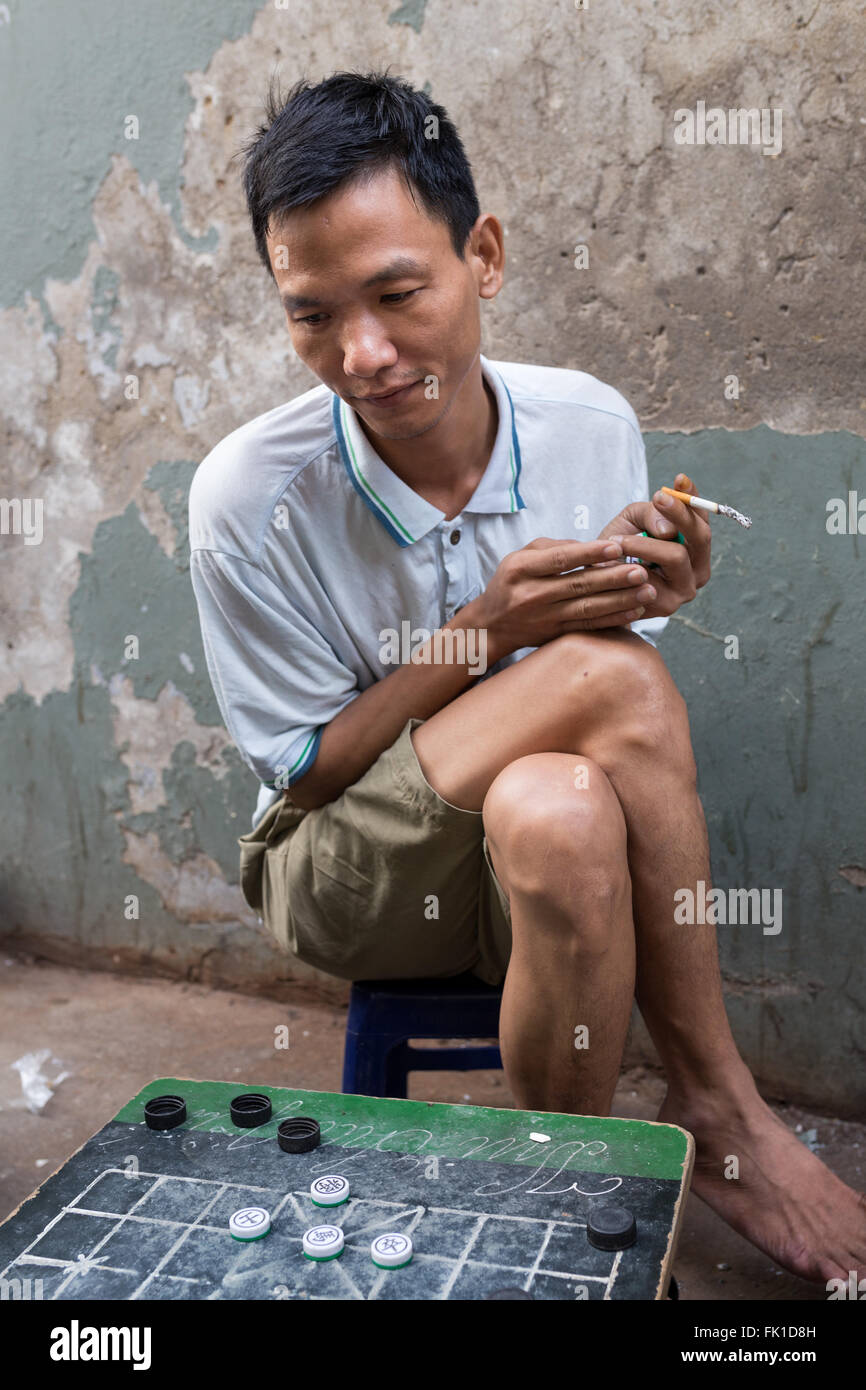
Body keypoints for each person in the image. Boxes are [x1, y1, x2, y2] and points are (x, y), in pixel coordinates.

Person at [188, 69, 865, 1287]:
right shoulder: (249, 496)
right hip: (339, 861)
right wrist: (477, 632)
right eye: (311, 314)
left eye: (397, 292)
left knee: (561, 798)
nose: (364, 353)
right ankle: (718, 1111)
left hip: (529, 843)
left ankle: (567, 1205)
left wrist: (645, 593)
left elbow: (605, 711)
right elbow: (301, 768)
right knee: (602, 691)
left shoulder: (585, 422)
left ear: (483, 256)